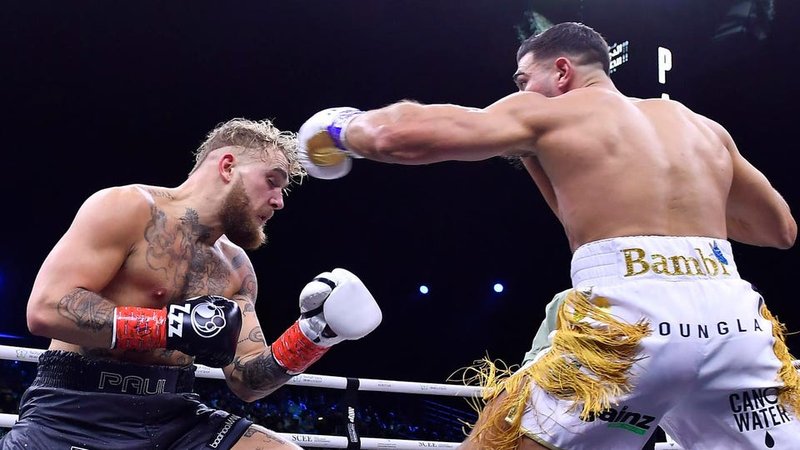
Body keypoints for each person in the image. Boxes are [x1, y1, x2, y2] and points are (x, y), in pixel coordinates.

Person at [294, 22, 799, 450]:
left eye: (522, 78)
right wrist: (685, 214)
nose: (518, 90)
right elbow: (778, 229)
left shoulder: (551, 111)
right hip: (737, 322)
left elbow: (397, 136)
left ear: (561, 71)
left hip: (629, 324)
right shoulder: (700, 126)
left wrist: (338, 131)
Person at [0, 118, 382, 450]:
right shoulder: (128, 207)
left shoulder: (236, 268)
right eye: (272, 182)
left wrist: (314, 335)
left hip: (176, 415)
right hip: (76, 407)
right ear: (229, 166)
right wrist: (171, 328)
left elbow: (248, 381)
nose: (279, 201)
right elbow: (46, 308)